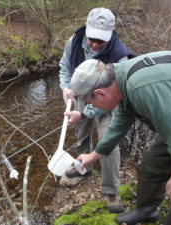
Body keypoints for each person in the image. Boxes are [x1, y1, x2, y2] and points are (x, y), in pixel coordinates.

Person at [67, 51, 171, 225]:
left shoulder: (144, 88)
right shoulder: (121, 79)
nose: (91, 107)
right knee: (152, 165)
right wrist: (94, 155)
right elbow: (119, 123)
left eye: (90, 103)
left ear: (101, 93)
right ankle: (147, 211)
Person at [58, 7, 132, 211]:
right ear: (86, 28)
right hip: (82, 95)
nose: (95, 44)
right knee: (81, 133)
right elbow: (65, 66)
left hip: (109, 101)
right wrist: (66, 87)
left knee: (108, 142)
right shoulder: (74, 42)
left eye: (101, 40)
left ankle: (111, 191)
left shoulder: (119, 56)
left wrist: (84, 113)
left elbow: (113, 99)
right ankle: (84, 167)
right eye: (92, 38)